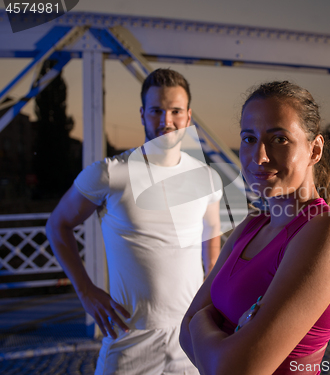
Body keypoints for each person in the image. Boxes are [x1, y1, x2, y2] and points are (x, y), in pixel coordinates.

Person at [46, 68, 222, 375]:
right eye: (156, 110)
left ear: (188, 116)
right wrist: (85, 290)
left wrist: (217, 310)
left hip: (190, 335)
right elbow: (57, 225)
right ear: (142, 114)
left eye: (175, 111)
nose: (166, 121)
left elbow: (212, 248)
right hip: (129, 338)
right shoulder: (110, 173)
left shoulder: (208, 179)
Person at [180, 81, 330, 375]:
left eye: (279, 139)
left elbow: (233, 369)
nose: (259, 156)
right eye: (249, 139)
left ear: (315, 150)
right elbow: (183, 338)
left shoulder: (328, 234)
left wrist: (200, 321)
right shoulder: (251, 226)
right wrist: (214, 343)